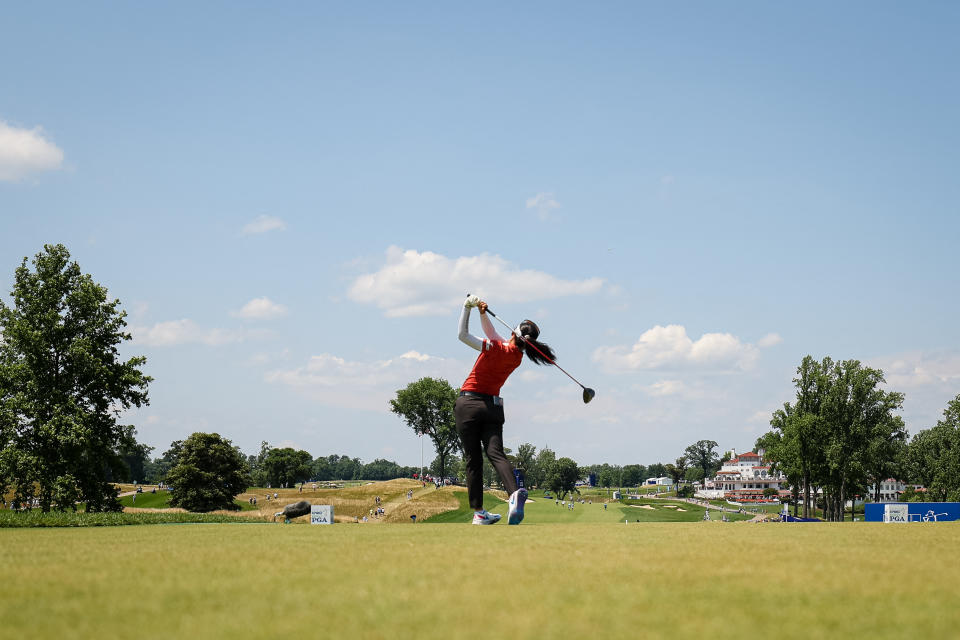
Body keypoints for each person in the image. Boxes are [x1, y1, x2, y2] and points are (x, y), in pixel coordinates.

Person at [455, 296, 556, 525]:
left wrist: (467, 307)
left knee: (473, 460)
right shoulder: (517, 357)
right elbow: (495, 336)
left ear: (514, 332)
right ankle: (513, 494)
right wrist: (483, 313)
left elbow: (462, 335)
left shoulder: (494, 348)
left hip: (468, 404)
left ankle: (479, 512)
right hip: (492, 408)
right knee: (496, 454)